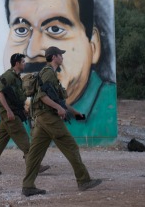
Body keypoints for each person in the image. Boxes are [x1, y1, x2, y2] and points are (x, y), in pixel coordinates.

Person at [3, 0, 116, 145]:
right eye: (21, 30)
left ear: (93, 46)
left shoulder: (108, 106)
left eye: (55, 29)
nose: (31, 52)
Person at [21, 46, 102, 196]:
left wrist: (74, 112)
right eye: (60, 55)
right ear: (53, 57)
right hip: (48, 118)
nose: (62, 57)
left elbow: (58, 99)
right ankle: (83, 180)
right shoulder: (48, 73)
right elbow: (43, 96)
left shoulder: (50, 73)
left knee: (35, 153)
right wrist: (58, 108)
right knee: (71, 146)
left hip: (42, 119)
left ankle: (28, 186)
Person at [0, 53, 50, 175]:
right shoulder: (8, 76)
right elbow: (0, 92)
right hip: (9, 113)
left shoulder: (17, 77)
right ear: (17, 63)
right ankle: (34, 166)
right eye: (23, 62)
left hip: (12, 112)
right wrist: (8, 110)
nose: (25, 64)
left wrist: (21, 109)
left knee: (0, 139)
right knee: (24, 139)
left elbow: (15, 96)